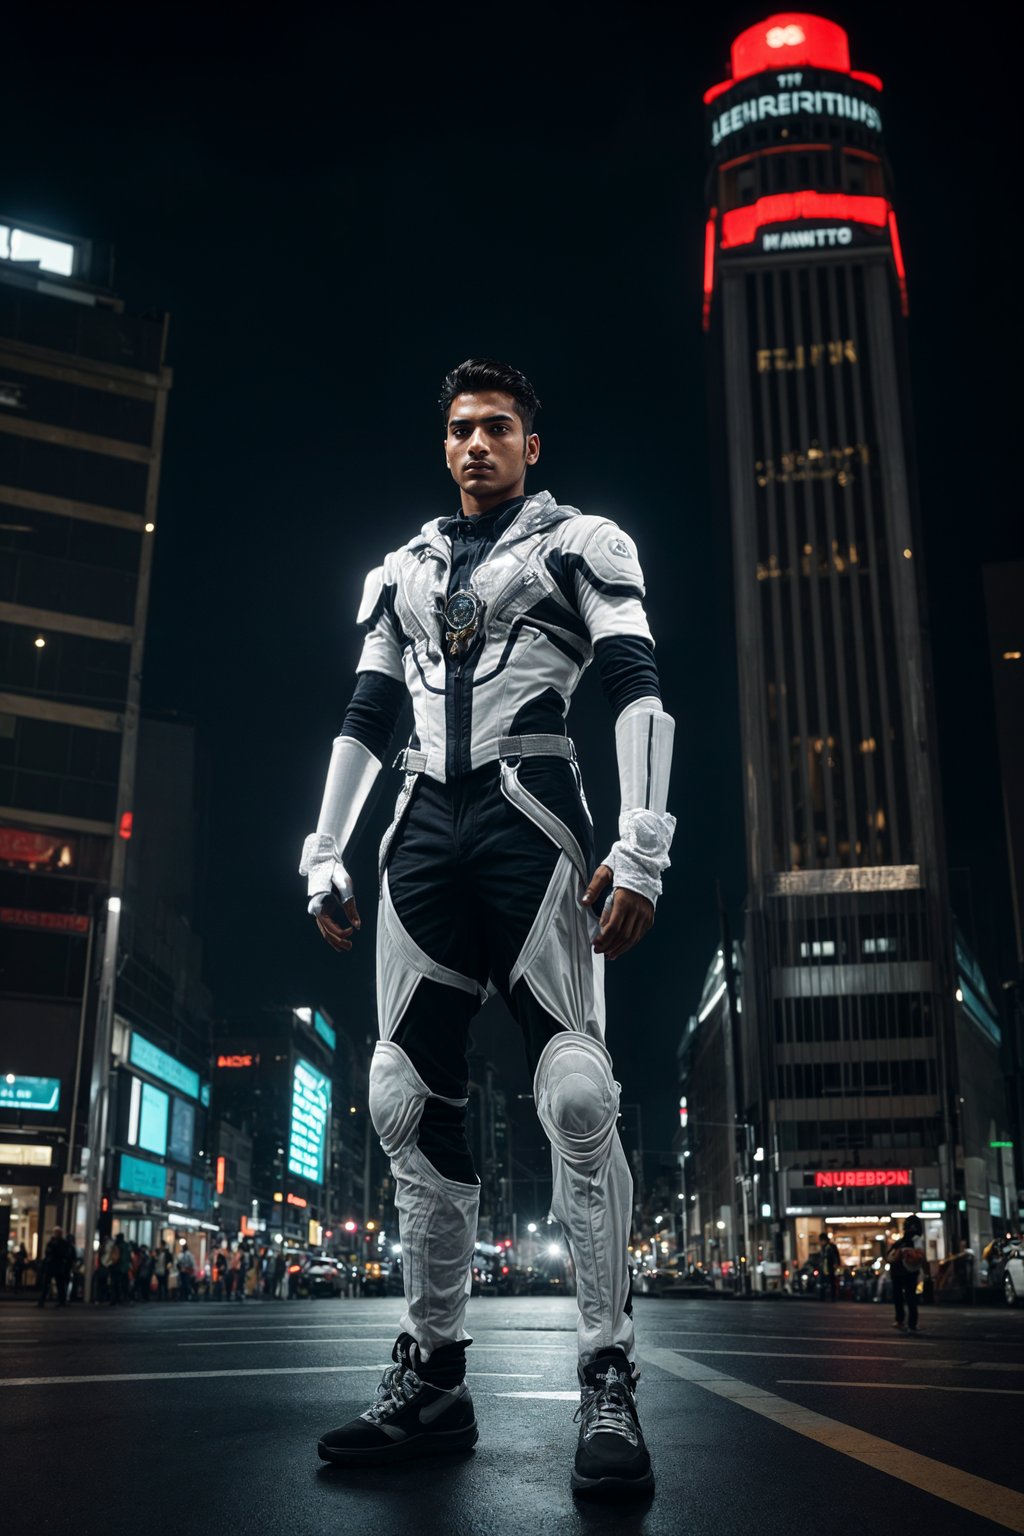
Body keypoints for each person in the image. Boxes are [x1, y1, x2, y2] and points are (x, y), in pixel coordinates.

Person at [300, 359, 675, 1497]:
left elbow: (631, 678)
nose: (475, 445)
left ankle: (605, 1375)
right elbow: (366, 710)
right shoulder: (401, 567)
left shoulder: (581, 543)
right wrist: (324, 844)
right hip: (417, 827)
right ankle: (432, 1373)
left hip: (533, 815)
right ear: (444, 441)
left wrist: (645, 838)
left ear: (529, 444)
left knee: (572, 1092)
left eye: (496, 428)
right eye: (460, 428)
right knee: (401, 1098)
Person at [886, 1215, 926, 1333]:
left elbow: (889, 1256)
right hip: (910, 1272)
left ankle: (901, 1321)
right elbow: (920, 1256)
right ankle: (911, 1324)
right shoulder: (916, 1239)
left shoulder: (901, 1242)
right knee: (910, 1298)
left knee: (899, 1297)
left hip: (897, 1272)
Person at [37, 1226, 74, 1308]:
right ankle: (43, 1301)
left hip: (57, 1265)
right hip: (53, 1265)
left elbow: (62, 1254)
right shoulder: (52, 1242)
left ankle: (61, 1301)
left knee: (59, 1284)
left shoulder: (62, 1243)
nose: (56, 1234)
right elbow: (47, 1252)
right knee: (48, 1284)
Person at [820, 1231, 841, 1302]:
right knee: (828, 1282)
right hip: (826, 1267)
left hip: (830, 1267)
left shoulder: (829, 1247)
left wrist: (836, 1264)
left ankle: (831, 1297)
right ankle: (828, 1297)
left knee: (830, 1282)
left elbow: (835, 1256)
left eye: (821, 1241)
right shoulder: (826, 1247)